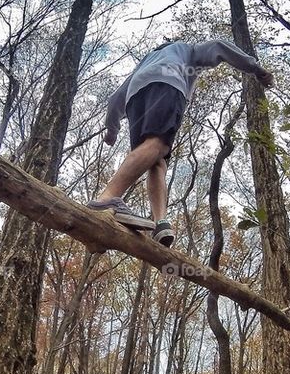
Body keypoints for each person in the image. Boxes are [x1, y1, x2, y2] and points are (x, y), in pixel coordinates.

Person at [88, 38, 274, 246]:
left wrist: (112, 129)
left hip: (135, 98)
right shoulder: (188, 50)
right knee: (159, 144)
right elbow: (219, 47)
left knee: (154, 158)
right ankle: (107, 199)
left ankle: (161, 223)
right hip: (168, 85)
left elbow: (116, 98)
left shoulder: (146, 62)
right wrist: (256, 69)